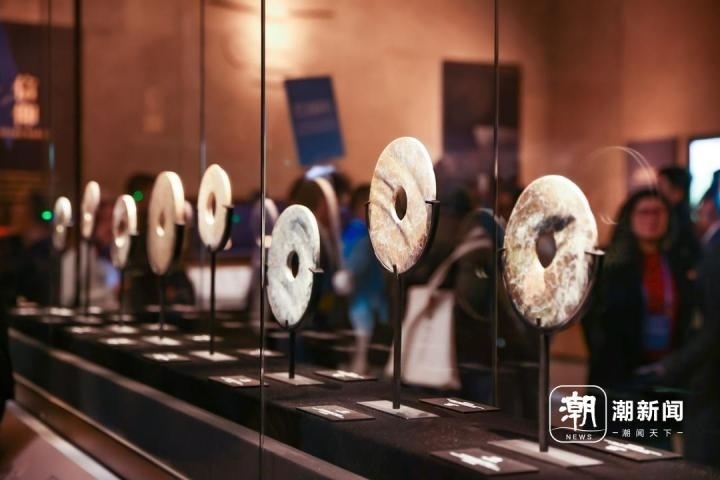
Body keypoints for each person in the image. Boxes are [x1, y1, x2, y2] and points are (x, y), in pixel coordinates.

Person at [583, 189, 693, 393]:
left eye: (657, 212)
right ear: (630, 218)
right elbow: (591, 320)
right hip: (617, 376)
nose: (651, 219)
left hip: (665, 373)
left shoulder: (678, 262)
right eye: (644, 212)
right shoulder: (608, 263)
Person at [334, 185, 388, 374]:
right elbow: (352, 269)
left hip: (361, 305)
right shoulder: (363, 235)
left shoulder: (353, 232)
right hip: (365, 307)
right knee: (361, 362)